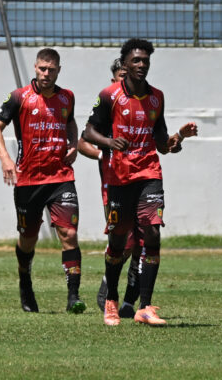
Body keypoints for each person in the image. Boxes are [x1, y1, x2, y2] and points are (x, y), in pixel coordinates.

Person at [83, 39, 198, 326]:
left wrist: (179, 138)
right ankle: (111, 300)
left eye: (145, 60)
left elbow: (161, 144)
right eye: (136, 60)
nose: (141, 65)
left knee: (152, 234)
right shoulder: (109, 95)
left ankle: (145, 307)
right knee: (119, 241)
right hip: (119, 177)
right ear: (124, 64)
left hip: (149, 173)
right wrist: (109, 141)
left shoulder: (157, 97)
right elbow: (88, 132)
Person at [0, 48, 86, 314]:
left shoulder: (67, 97)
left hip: (61, 178)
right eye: (42, 68)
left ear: (58, 70)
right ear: (35, 68)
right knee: (27, 239)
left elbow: (71, 122)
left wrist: (74, 144)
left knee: (69, 233)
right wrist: (5, 159)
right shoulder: (19, 97)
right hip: (28, 181)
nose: (46, 74)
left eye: (51, 69)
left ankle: (73, 296)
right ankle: (25, 283)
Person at [78, 59, 142, 318]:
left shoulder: (142, 103)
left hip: (141, 180)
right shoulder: (108, 104)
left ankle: (129, 301)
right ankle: (109, 283)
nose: (122, 80)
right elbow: (83, 140)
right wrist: (103, 153)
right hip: (113, 183)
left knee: (141, 240)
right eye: (119, 75)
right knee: (122, 240)